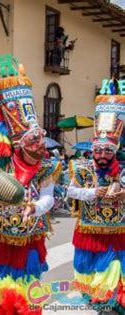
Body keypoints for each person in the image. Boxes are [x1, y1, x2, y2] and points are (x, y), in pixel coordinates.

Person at [0, 57, 61, 314]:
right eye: (34, 148)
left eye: (41, 146)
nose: (40, 152)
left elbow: (48, 197)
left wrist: (35, 208)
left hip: (29, 238)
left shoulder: (45, 167)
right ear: (19, 146)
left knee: (26, 288)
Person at [66, 91, 124, 313]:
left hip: (117, 234)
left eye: (107, 150)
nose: (101, 154)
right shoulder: (81, 168)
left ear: (114, 151)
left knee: (113, 275)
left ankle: (110, 306)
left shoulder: (124, 170)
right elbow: (70, 193)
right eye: (98, 150)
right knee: (88, 276)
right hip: (89, 232)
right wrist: (91, 193)